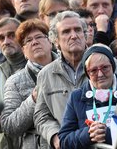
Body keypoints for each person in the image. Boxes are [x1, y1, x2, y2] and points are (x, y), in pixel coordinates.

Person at [34, 11, 88, 149]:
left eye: (78, 30)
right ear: (55, 41)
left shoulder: (104, 65)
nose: (74, 35)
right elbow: (41, 115)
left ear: (85, 35)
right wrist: (55, 137)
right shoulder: (46, 74)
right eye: (66, 32)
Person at [1, 19, 57, 149]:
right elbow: (9, 126)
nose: (35, 42)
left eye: (39, 37)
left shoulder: (69, 70)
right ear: (24, 51)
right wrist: (33, 99)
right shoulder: (15, 82)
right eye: (28, 41)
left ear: (50, 42)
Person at [58, 44, 117, 148]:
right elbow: (64, 141)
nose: (100, 74)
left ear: (112, 67)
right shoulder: (77, 97)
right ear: (87, 73)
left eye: (105, 68)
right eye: (93, 70)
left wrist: (108, 134)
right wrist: (87, 134)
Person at [0, 17, 26, 149]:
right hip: (4, 142)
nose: (6, 41)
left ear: (22, 37)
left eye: (11, 35)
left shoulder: (35, 61)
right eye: (1, 38)